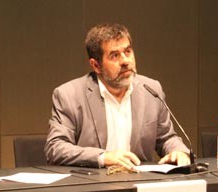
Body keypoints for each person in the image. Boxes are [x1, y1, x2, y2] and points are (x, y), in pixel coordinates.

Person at [45, 23, 190, 170]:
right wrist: (103, 157)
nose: (125, 61)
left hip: (140, 183)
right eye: (114, 55)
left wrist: (178, 151)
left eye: (128, 52)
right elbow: (56, 148)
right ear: (96, 66)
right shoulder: (70, 95)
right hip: (93, 186)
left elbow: (166, 137)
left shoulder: (151, 90)